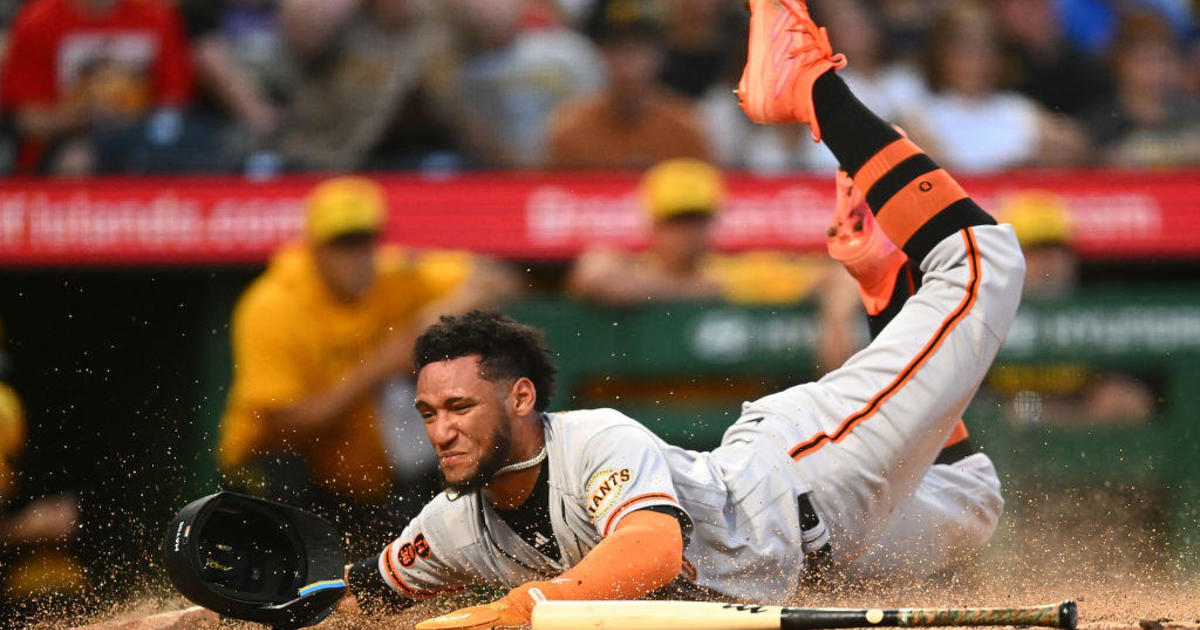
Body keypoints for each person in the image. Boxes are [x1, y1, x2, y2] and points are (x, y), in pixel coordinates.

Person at [338, 2, 1025, 627]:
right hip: (820, 561)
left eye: (459, 406)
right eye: (430, 413)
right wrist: (247, 600)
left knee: (987, 260)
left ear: (520, 397)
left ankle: (809, 85)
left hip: (809, 477)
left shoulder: (590, 441)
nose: (442, 429)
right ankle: (884, 289)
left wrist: (514, 612)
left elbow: (653, 553)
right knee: (972, 498)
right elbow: (352, 594)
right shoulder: (453, 526)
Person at [218, 176, 518, 556]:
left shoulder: (393, 274)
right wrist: (383, 364)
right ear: (315, 248)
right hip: (274, 467)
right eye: (341, 244)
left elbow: (495, 278)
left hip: (365, 472)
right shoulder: (273, 304)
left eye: (363, 241)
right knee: (284, 482)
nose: (355, 256)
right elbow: (284, 426)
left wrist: (430, 327)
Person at [567, 157, 864, 372]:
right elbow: (591, 275)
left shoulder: (736, 273)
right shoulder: (634, 269)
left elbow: (840, 274)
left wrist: (837, 318)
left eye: (696, 219)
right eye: (676, 220)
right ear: (653, 222)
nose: (687, 232)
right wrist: (694, 290)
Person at [0, 0, 195, 175]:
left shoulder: (157, 16)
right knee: (76, 161)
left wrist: (134, 120)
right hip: (62, 142)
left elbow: (175, 99)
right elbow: (24, 119)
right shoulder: (38, 21)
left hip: (143, 136)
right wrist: (84, 115)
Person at [546, 0, 711, 169]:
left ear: (660, 55)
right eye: (618, 47)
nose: (628, 64)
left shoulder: (686, 130)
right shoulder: (570, 131)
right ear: (602, 54)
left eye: (639, 48)